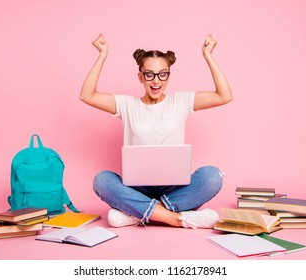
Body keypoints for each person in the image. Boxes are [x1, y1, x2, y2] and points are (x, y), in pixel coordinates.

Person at [80, 33, 232, 229]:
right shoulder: (127, 105)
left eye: (163, 74)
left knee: (212, 176)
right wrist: (102, 55)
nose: (156, 81)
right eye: (149, 74)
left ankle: (138, 214)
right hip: (137, 188)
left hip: (174, 187)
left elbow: (224, 96)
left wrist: (208, 56)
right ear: (140, 76)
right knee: (102, 181)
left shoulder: (181, 101)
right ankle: (176, 218)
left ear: (168, 75)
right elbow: (87, 95)